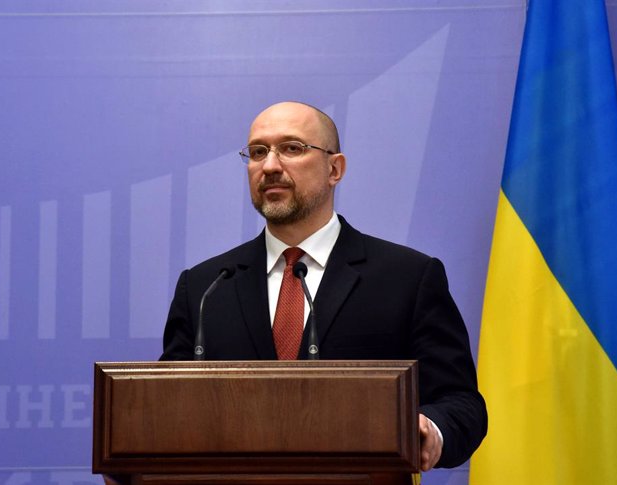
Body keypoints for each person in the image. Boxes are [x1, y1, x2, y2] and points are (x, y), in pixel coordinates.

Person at [160, 101, 487, 471]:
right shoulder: (207, 287)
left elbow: (460, 402)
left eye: (292, 148)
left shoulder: (407, 277)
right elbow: (169, 405)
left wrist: (431, 428)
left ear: (335, 168)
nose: (269, 166)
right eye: (257, 152)